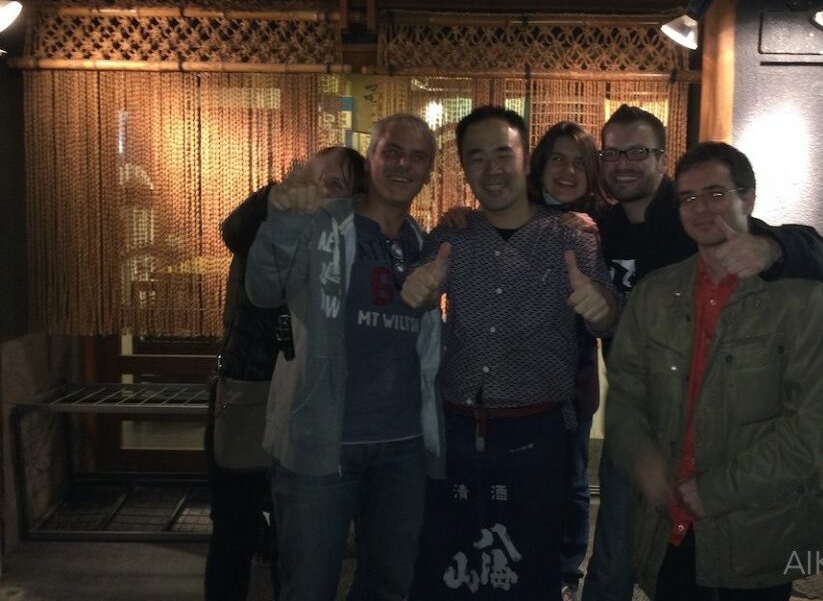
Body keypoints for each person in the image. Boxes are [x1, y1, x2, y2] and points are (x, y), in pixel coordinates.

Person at [582, 105, 823, 601]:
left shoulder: (792, 292)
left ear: (748, 198)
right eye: (690, 197)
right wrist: (642, 457)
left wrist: (772, 248)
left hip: (753, 522)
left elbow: (811, 424)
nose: (700, 208)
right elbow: (627, 391)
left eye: (715, 194)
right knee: (615, 566)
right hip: (665, 499)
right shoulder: (611, 239)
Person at [403, 106, 621, 601]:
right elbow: (416, 285)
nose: (492, 169)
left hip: (537, 433)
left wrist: (602, 309)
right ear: (464, 167)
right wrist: (414, 291)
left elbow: (606, 313)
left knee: (527, 571)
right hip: (457, 426)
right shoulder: (452, 234)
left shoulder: (572, 235)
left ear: (526, 160)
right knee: (448, 566)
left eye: (503, 154)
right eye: (476, 158)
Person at [245, 114, 444, 601]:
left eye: (418, 157)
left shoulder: (423, 243)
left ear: (429, 171)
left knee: (389, 586)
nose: (403, 165)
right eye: (392, 151)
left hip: (402, 448)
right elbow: (264, 290)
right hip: (321, 441)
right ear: (369, 158)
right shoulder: (323, 223)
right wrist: (282, 220)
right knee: (308, 587)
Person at [204, 145, 364, 601]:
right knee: (233, 531)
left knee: (293, 539)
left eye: (338, 186)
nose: (323, 191)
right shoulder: (271, 225)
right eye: (319, 178)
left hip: (304, 407)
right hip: (248, 396)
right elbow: (233, 229)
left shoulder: (344, 246)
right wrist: (275, 197)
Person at [525, 122, 610, 601]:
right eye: (558, 158)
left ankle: (565, 572)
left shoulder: (600, 225)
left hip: (573, 380)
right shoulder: (515, 214)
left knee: (573, 479)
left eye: (580, 162)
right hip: (515, 382)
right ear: (540, 164)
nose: (567, 170)